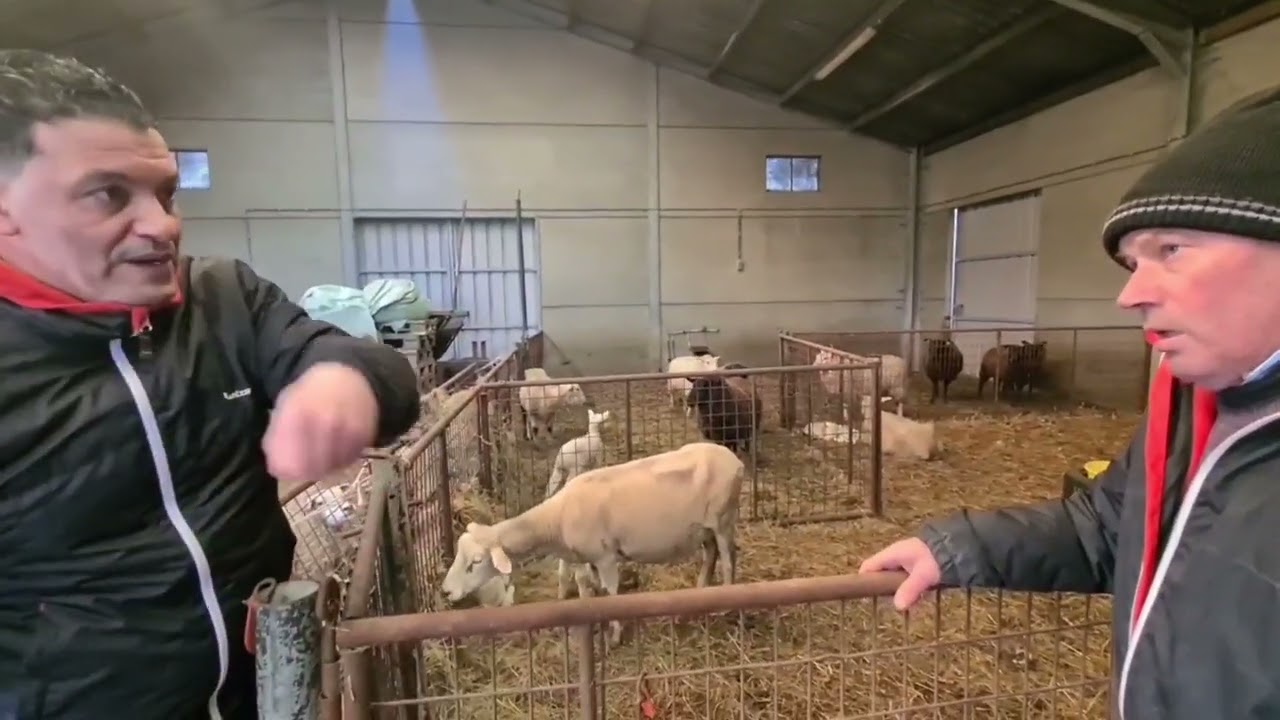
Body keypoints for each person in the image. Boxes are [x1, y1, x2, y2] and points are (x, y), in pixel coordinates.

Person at [0, 50, 421, 718]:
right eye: (108, 194)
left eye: (166, 193)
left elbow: (379, 372)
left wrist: (345, 381)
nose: (162, 223)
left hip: (267, 690)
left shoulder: (222, 298)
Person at [859, 85, 1280, 720]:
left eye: (1171, 250)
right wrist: (957, 548)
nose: (1130, 293)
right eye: (1130, 262)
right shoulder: (1195, 413)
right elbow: (1104, 528)